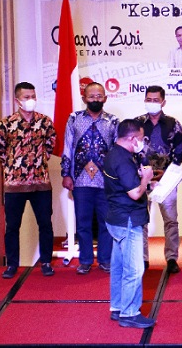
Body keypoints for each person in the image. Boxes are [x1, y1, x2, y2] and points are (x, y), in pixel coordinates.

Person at [0, 82, 57, 279]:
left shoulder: (45, 122)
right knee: (12, 226)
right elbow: (0, 150)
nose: (31, 100)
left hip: (41, 183)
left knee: (45, 223)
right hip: (14, 185)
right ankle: (12, 264)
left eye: (33, 96)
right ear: (17, 100)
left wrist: (36, 163)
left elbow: (50, 146)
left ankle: (46, 262)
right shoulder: (6, 124)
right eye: (26, 97)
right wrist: (14, 167)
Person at [61, 82, 119, 274]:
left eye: (99, 96)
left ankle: (105, 259)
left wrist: (116, 178)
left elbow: (117, 151)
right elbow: (67, 147)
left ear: (105, 98)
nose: (95, 99)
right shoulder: (74, 118)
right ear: (84, 98)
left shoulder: (113, 121)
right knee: (83, 223)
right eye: (92, 96)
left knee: (106, 222)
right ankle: (85, 260)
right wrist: (66, 174)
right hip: (80, 180)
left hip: (106, 181)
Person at [102, 120, 155, 329]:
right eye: (141, 139)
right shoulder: (123, 160)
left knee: (118, 267)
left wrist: (141, 180)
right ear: (133, 138)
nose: (142, 143)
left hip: (116, 217)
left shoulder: (114, 153)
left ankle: (117, 307)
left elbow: (125, 184)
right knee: (134, 269)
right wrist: (146, 179)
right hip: (128, 219)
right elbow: (134, 193)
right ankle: (130, 313)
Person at [133, 85, 182, 273]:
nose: (152, 103)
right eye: (149, 99)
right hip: (140, 179)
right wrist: (140, 172)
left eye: (156, 100)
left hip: (166, 179)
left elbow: (179, 152)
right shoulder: (136, 123)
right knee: (141, 220)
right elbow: (130, 150)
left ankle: (171, 258)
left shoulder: (173, 124)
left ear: (163, 102)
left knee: (170, 220)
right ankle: (142, 259)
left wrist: (167, 173)